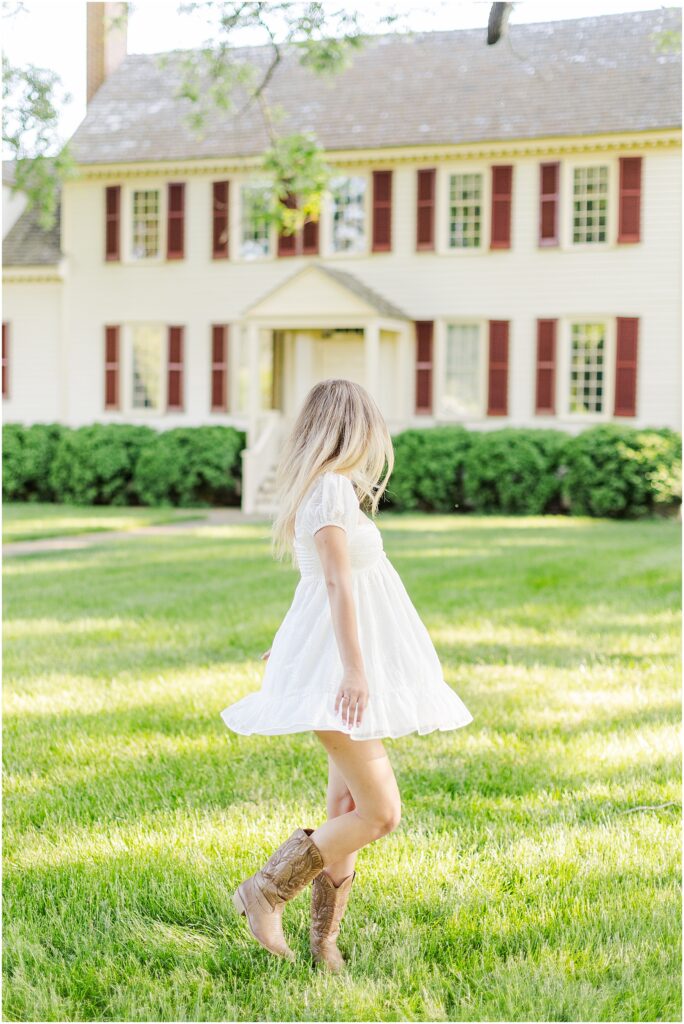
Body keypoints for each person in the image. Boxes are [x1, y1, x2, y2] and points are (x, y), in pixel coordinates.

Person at [221, 378, 473, 972]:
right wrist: (354, 672)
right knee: (380, 813)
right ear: (354, 430)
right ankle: (264, 892)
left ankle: (323, 941)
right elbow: (333, 583)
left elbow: (318, 584)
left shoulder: (326, 490)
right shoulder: (331, 490)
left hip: (338, 666)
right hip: (345, 677)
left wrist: (290, 648)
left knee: (346, 803)